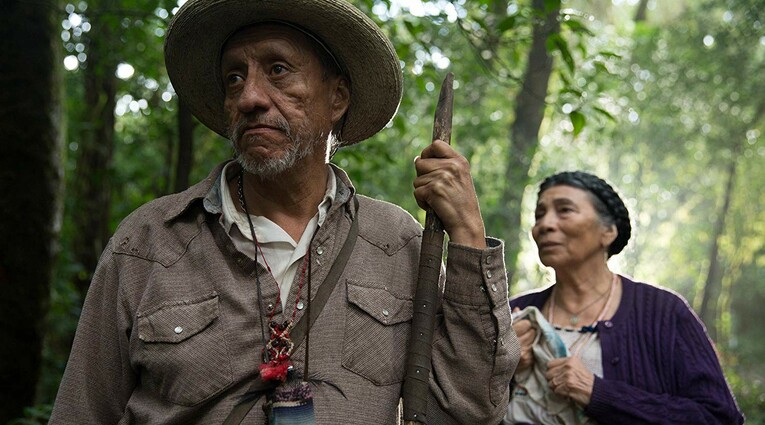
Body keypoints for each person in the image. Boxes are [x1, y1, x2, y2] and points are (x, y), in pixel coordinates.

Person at [49, 0, 519, 423]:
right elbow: (81, 411)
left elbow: (472, 407)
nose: (250, 98)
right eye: (235, 78)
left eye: (277, 70)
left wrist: (468, 235)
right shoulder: (150, 243)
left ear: (337, 98)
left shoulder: (396, 242)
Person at [504, 171, 744, 424]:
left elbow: (719, 416)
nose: (545, 225)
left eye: (564, 210)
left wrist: (599, 394)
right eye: (539, 215)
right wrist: (504, 371)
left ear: (607, 232)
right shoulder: (515, 312)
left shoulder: (664, 313)